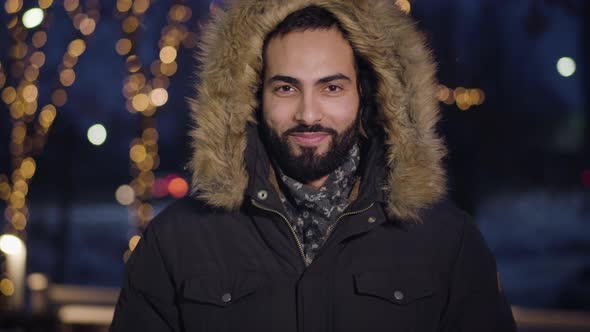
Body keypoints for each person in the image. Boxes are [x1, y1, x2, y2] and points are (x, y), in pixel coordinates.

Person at [111, 1, 517, 331]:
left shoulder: (447, 242)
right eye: (286, 88)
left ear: (368, 96)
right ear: (252, 97)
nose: (308, 113)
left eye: (332, 87)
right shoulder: (176, 242)